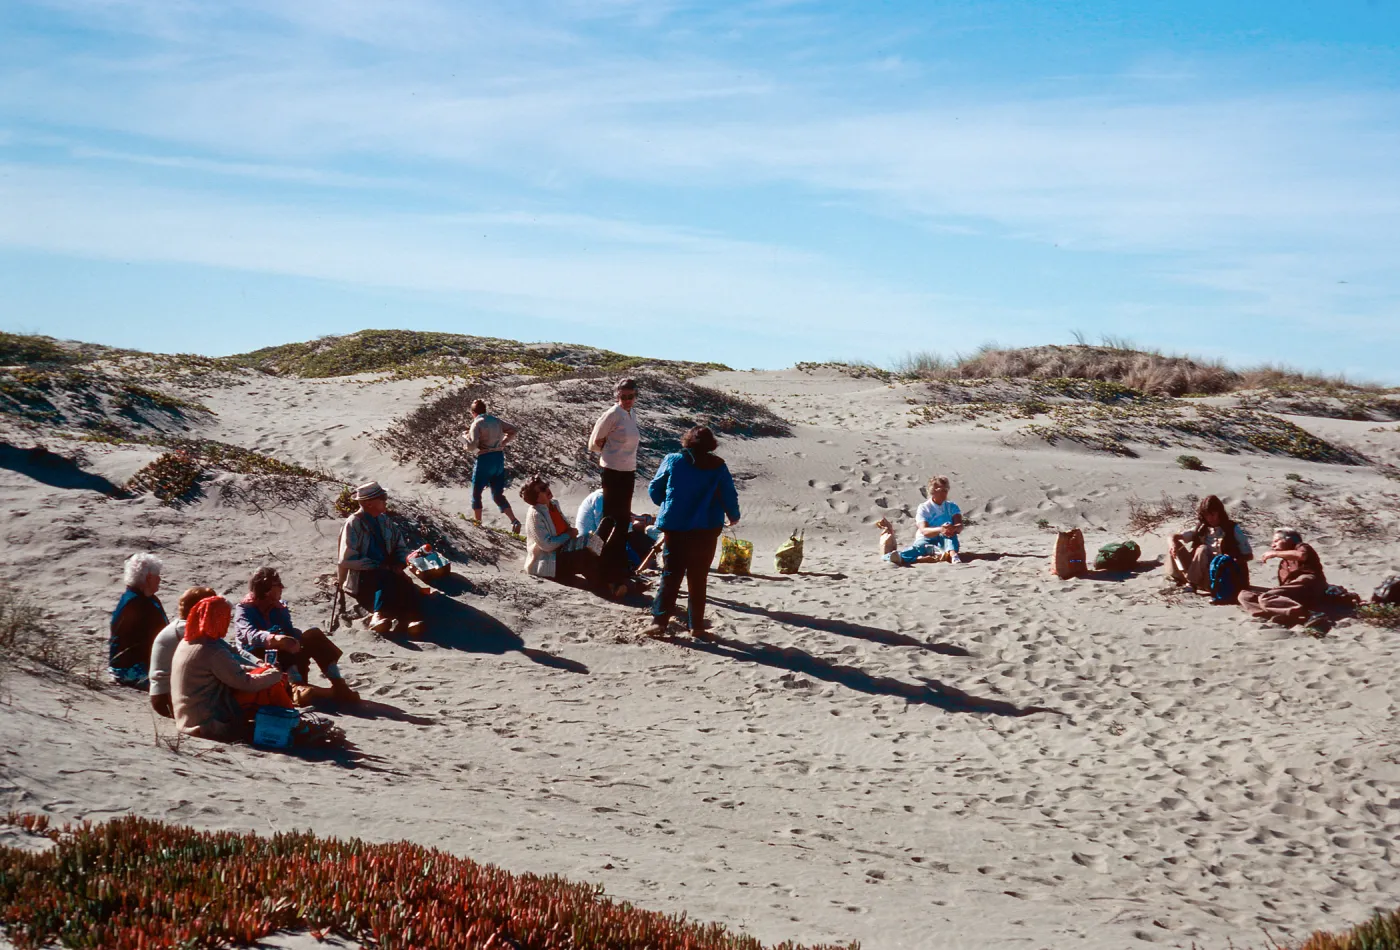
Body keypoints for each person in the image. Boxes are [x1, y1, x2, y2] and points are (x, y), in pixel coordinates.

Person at [643, 426, 741, 638]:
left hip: (676, 526)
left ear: (687, 441)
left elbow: (654, 488)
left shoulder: (673, 460)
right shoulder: (718, 466)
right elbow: (728, 495)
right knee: (698, 577)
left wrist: (667, 503)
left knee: (671, 575)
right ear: (711, 445)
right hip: (706, 528)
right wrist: (733, 516)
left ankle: (659, 622)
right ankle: (695, 625)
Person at [234, 567, 359, 705]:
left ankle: (338, 684)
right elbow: (250, 635)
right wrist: (275, 639)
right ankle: (296, 687)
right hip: (259, 659)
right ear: (267, 589)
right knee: (279, 637)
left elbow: (289, 631)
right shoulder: (244, 609)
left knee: (313, 635)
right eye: (277, 585)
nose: (282, 587)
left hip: (288, 660)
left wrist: (296, 639)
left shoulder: (278, 607)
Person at [171, 595, 284, 742]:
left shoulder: (189, 642)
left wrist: (257, 669)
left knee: (264, 676)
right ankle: (292, 724)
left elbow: (226, 668)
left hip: (187, 719)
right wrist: (275, 674)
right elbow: (246, 683)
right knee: (270, 686)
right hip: (208, 724)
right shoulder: (211, 650)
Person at [337, 481, 425, 637]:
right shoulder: (353, 524)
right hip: (363, 576)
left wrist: (400, 562)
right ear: (369, 503)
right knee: (384, 577)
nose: (385, 501)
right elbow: (346, 559)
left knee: (404, 582)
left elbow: (400, 546)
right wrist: (377, 566)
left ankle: (410, 618)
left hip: (387, 571)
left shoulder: (385, 521)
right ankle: (378, 615)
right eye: (382, 498)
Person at [588, 377, 641, 592]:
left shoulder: (631, 414)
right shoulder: (612, 414)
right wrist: (610, 454)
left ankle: (619, 568)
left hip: (628, 470)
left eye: (631, 396)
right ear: (617, 396)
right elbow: (594, 443)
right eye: (623, 397)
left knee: (622, 521)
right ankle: (604, 569)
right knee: (610, 519)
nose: (627, 400)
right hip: (612, 471)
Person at [149, 585, 223, 718]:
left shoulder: (184, 625)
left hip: (166, 694)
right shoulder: (187, 630)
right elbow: (222, 652)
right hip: (167, 697)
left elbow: (227, 648)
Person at [521, 475, 602, 590]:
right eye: (543, 489)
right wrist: (568, 535)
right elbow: (546, 545)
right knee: (584, 556)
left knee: (596, 545)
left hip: (563, 550)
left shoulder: (554, 504)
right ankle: (604, 587)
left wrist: (572, 535)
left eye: (546, 486)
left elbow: (564, 527)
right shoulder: (536, 515)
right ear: (535, 498)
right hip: (548, 561)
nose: (547, 490)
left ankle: (612, 581)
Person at [1238, 528, 1329, 628]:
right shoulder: (1283, 564)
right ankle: (1276, 614)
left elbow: (1301, 555)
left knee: (1266, 598)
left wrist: (1275, 554)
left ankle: (1308, 614)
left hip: (1311, 586)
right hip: (1295, 594)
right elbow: (1283, 589)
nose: (1273, 545)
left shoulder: (1301, 547)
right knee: (1244, 595)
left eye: (1277, 541)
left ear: (1289, 540)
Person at [1169, 495, 1253, 593]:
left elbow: (1249, 555)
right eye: (1206, 515)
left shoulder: (1232, 529)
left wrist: (1231, 559)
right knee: (1177, 546)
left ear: (1219, 513)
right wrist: (1172, 545)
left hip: (1220, 575)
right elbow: (1172, 536)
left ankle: (1191, 583)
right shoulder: (1201, 528)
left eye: (1212, 514)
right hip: (1201, 572)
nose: (1210, 518)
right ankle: (1184, 579)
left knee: (1202, 549)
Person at [109, 552, 168, 687]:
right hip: (131, 669)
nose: (159, 579)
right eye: (156, 576)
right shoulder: (135, 603)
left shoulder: (146, 598)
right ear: (148, 578)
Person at [465, 399, 522, 534]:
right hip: (498, 458)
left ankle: (477, 525)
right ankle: (514, 521)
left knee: (476, 493)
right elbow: (513, 430)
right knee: (497, 494)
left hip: (484, 459)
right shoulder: (495, 420)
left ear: (473, 412)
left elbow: (472, 445)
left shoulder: (477, 423)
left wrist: (464, 438)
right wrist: (503, 442)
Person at [885, 476, 964, 565]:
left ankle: (953, 555)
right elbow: (924, 530)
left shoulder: (952, 506)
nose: (944, 493)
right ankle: (897, 557)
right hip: (927, 539)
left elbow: (960, 525)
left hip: (945, 539)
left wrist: (952, 528)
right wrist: (940, 529)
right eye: (940, 490)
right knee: (918, 548)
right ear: (933, 491)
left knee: (949, 531)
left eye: (946, 490)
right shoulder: (924, 508)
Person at [576, 487, 661, 569]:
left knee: (637, 535)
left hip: (597, 538)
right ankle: (641, 563)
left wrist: (645, 519)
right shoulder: (601, 498)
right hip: (590, 542)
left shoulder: (611, 497)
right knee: (634, 537)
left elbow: (628, 515)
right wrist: (633, 526)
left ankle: (644, 560)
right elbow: (603, 527)